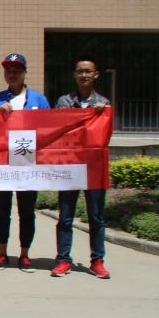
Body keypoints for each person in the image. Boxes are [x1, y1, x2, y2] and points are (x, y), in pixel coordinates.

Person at [0, 53, 51, 273]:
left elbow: (49, 128)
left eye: (16, 69)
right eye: (8, 69)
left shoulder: (38, 100)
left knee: (27, 211)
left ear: (24, 72)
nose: (12, 73)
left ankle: (24, 254)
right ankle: (2, 253)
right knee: (2, 211)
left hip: (28, 163)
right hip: (2, 164)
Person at [53, 59, 111, 280]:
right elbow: (60, 129)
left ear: (96, 75)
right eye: (80, 71)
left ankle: (97, 261)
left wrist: (100, 114)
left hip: (94, 167)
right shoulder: (64, 102)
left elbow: (105, 136)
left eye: (88, 71)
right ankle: (63, 259)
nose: (84, 75)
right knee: (65, 217)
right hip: (70, 166)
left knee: (96, 217)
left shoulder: (103, 103)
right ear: (74, 75)